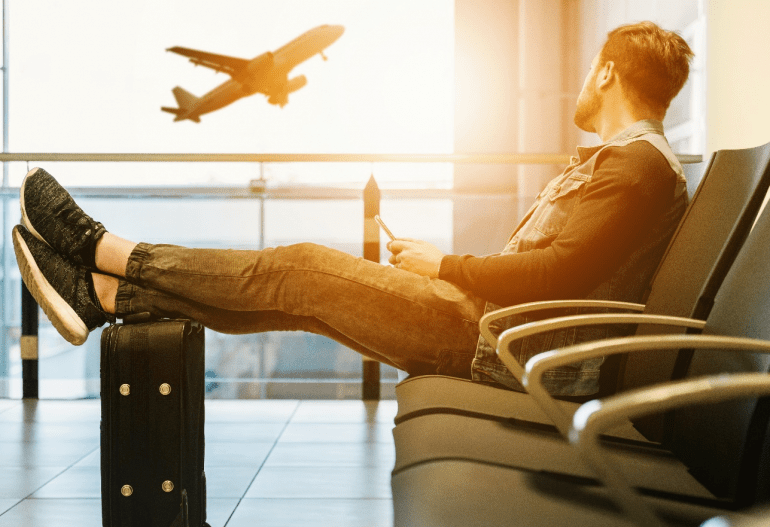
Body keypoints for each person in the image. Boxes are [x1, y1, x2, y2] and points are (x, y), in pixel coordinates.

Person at [13, 21, 694, 397]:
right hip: (497, 336)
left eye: (588, 72)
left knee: (300, 268)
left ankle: (101, 249)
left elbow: (557, 277)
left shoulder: (635, 167)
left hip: (498, 347)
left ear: (606, 72)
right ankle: (104, 295)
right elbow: (559, 272)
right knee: (302, 299)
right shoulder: (634, 166)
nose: (581, 84)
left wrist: (446, 264)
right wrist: (447, 270)